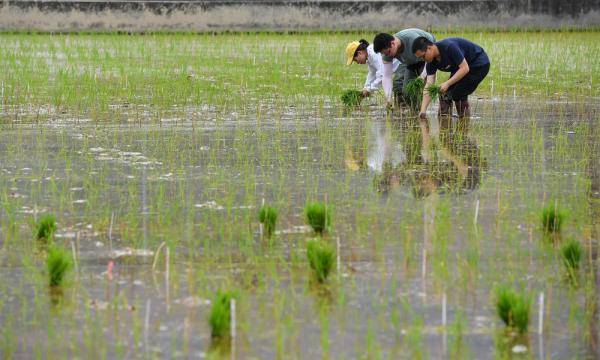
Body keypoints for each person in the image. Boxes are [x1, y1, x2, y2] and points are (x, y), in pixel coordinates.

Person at [412, 36, 490, 119]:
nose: (423, 59)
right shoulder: (431, 62)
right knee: (444, 92)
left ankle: (464, 121)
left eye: (423, 56)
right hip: (460, 67)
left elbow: (465, 68)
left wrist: (448, 83)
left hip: (478, 63)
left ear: (429, 48)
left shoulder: (449, 47)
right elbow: (428, 86)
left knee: (459, 93)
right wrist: (423, 111)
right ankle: (445, 121)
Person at [372, 29, 435, 108]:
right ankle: (415, 111)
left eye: (388, 52)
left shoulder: (413, 40)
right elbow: (387, 76)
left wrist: (422, 77)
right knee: (407, 92)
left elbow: (428, 59)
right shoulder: (386, 53)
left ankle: (423, 110)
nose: (388, 55)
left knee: (424, 87)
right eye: (384, 54)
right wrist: (388, 98)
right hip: (410, 62)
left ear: (393, 43)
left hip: (428, 57)